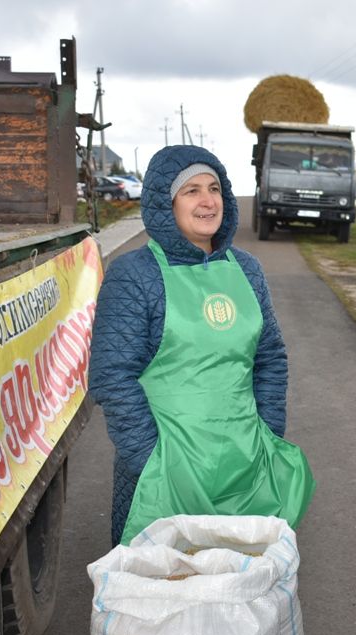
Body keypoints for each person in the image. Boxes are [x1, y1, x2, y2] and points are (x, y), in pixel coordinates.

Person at [89, 145, 315, 546]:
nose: (208, 201)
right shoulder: (134, 275)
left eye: (214, 188)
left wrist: (267, 433)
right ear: (165, 202)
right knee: (165, 596)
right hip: (166, 474)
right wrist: (152, 462)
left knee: (238, 596)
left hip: (244, 468)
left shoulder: (246, 269)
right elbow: (112, 375)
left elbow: (270, 357)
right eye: (191, 190)